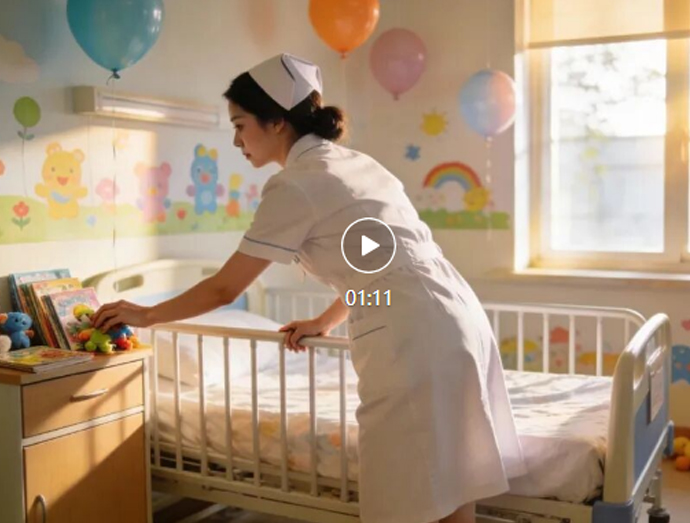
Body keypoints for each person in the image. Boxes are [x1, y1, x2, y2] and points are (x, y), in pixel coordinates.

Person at [92, 53, 524, 523]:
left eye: (240, 125)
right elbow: (383, 272)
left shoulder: (295, 185)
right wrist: (325, 319)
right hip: (455, 313)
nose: (236, 140)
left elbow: (223, 290)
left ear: (277, 121)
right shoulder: (356, 164)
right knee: (452, 479)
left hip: (414, 334)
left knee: (405, 493)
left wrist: (145, 315)